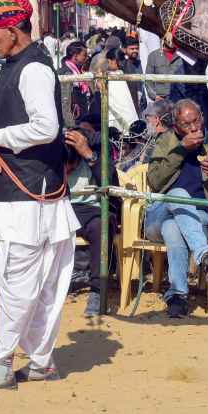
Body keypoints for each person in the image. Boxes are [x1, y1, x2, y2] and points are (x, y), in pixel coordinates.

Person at [0, 0, 80, 391]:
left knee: (19, 282)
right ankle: (40, 361)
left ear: (13, 31)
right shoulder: (21, 65)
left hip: (31, 196)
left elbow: (46, 127)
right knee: (36, 283)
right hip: (32, 193)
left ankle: (3, 363)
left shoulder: (33, 70)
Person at [145, 99, 208, 318]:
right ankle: (205, 254)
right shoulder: (165, 142)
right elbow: (154, 182)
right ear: (176, 126)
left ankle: (177, 296)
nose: (194, 128)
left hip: (199, 218)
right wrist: (180, 151)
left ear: (202, 117)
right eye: (186, 124)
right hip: (158, 216)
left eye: (196, 121)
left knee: (173, 228)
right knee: (177, 196)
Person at [64, 126, 117, 317]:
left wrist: (88, 154)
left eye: (71, 165)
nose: (68, 170)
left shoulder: (95, 152)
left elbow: (111, 182)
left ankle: (97, 290)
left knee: (101, 225)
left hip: (93, 208)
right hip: (63, 206)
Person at [90, 49, 138, 133]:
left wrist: (98, 73)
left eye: (108, 62)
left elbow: (99, 86)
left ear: (114, 61)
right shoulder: (124, 73)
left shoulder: (112, 77)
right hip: (129, 119)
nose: (107, 65)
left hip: (118, 122)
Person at [58, 41, 92, 122]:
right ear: (75, 56)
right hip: (73, 117)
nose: (86, 57)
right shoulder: (67, 72)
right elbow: (65, 100)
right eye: (84, 55)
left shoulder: (77, 69)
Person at [123, 34, 144, 115]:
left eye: (136, 48)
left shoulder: (141, 62)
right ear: (125, 49)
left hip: (141, 101)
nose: (135, 51)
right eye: (132, 49)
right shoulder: (122, 65)